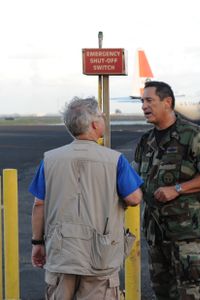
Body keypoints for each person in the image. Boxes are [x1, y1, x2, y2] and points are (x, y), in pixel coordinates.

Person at [29, 97, 143, 299]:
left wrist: (37, 243)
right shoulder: (115, 160)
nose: (104, 118)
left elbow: (39, 205)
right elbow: (134, 198)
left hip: (61, 253)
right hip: (101, 255)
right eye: (101, 115)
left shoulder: (50, 159)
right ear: (93, 124)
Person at [133, 81, 200, 299]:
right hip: (155, 233)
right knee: (162, 291)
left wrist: (178, 188)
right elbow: (134, 179)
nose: (144, 106)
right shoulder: (146, 141)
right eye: (143, 101)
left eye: (149, 100)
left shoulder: (193, 135)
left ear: (167, 102)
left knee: (192, 291)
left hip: (185, 233)